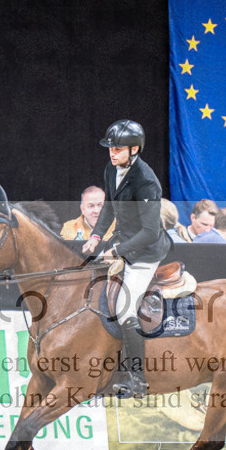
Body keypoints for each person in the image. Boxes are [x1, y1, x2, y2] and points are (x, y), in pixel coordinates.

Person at [82, 119, 171, 398]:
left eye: (118, 149)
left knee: (124, 310)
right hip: (122, 241)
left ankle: (136, 379)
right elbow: (109, 207)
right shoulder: (112, 168)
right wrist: (96, 237)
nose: (112, 153)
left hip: (145, 252)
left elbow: (149, 231)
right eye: (111, 148)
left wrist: (117, 251)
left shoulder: (146, 182)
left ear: (134, 149)